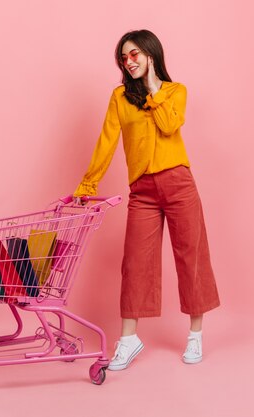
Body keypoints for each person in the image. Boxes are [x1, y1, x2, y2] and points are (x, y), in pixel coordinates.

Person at [73, 29, 220, 370]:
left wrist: (154, 86)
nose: (129, 61)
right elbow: (106, 142)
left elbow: (170, 126)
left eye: (135, 54)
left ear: (151, 54)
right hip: (142, 191)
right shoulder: (119, 98)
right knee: (135, 263)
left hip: (179, 184)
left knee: (191, 256)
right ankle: (129, 339)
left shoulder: (175, 91)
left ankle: (195, 335)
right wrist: (88, 185)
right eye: (124, 57)